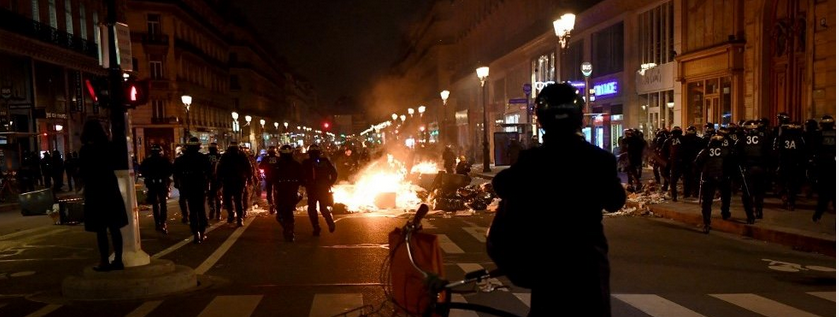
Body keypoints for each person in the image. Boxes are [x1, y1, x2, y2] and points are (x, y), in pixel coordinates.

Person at [488, 83, 625, 317]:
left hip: (547, 265)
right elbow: (615, 201)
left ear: (541, 120)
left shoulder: (532, 161)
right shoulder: (600, 160)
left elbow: (501, 185)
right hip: (588, 265)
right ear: (579, 116)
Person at [79, 119, 128, 272]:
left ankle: (104, 261)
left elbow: (84, 172)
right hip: (110, 188)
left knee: (100, 229)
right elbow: (117, 162)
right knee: (114, 227)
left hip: (95, 191)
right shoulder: (109, 147)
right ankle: (118, 259)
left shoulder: (85, 150)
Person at [174, 137, 212, 243]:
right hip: (200, 186)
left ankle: (196, 232)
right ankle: (202, 231)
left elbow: (176, 174)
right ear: (198, 147)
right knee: (201, 209)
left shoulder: (181, 159)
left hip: (188, 187)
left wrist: (179, 184)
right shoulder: (203, 158)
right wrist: (208, 185)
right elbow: (210, 173)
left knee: (192, 210)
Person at [301, 144, 337, 236]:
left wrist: (304, 184)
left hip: (312, 189)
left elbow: (300, 175)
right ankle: (330, 222)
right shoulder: (325, 161)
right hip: (323, 188)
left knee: (312, 208)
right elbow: (334, 173)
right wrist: (329, 183)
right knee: (323, 207)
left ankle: (316, 228)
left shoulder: (306, 162)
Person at [141, 144, 174, 233]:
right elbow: (170, 170)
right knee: (162, 203)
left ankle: (158, 223)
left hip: (152, 184)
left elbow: (142, 172)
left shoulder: (147, 161)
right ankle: (162, 222)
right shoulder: (164, 160)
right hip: (161, 183)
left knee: (155, 204)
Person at [273, 145, 303, 242]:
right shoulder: (296, 164)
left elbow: (272, 178)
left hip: (283, 192)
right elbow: (302, 179)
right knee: (287, 213)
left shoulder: (278, 165)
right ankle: (289, 230)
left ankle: (288, 230)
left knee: (281, 214)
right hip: (289, 192)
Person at [217, 142, 251, 227]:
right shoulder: (241, 155)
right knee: (237, 200)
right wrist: (249, 177)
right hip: (237, 180)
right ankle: (238, 217)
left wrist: (219, 179)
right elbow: (248, 167)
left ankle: (233, 215)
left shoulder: (225, 155)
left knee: (229, 199)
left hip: (229, 180)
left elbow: (219, 168)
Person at [812, 115, 835, 222]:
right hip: (833, 166)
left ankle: (818, 213)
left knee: (823, 192)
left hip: (822, 166)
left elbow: (814, 150)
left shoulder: (818, 134)